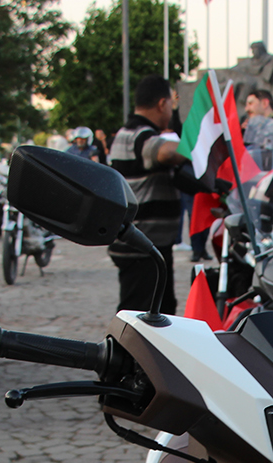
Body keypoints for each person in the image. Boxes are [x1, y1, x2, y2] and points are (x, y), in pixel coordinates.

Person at [108, 75, 187, 314]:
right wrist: (196, 146)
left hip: (145, 244)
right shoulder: (139, 134)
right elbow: (165, 154)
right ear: (162, 104)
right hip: (141, 246)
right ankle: (126, 353)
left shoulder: (128, 132)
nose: (171, 113)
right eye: (171, 107)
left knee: (158, 312)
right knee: (142, 319)